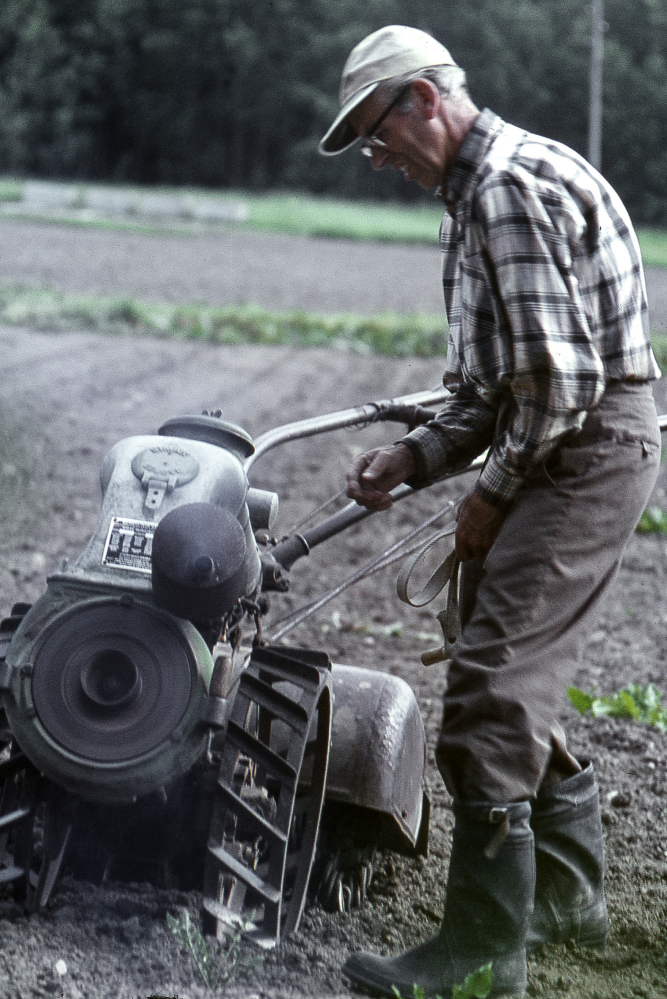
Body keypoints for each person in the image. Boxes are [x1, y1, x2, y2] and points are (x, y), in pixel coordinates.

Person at [318, 24, 662, 999]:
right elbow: (486, 390)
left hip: (589, 445)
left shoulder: (507, 190)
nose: (380, 161)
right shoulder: (467, 203)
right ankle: (563, 895)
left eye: (380, 136)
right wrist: (413, 455)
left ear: (426, 99)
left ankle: (479, 953)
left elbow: (559, 386)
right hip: (561, 431)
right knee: (497, 657)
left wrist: (486, 496)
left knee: (492, 686)